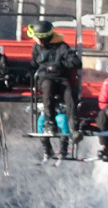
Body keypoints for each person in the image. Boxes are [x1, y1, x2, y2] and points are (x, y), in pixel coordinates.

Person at [29, 21, 82, 162]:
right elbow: (33, 64)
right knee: (47, 87)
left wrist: (59, 65)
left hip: (60, 78)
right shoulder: (37, 47)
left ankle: (73, 126)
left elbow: (76, 62)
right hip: (44, 79)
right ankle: (49, 122)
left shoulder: (62, 47)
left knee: (69, 94)